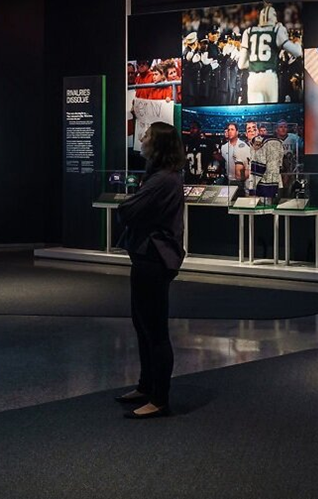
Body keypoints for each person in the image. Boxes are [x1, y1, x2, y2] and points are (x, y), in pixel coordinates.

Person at [116, 122, 186, 419]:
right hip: (148, 258)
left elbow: (127, 210)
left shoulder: (162, 181)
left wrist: (130, 208)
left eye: (146, 136)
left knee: (154, 330)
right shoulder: (162, 178)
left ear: (157, 145)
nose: (142, 139)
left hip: (153, 260)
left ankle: (159, 399)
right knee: (144, 326)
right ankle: (147, 387)